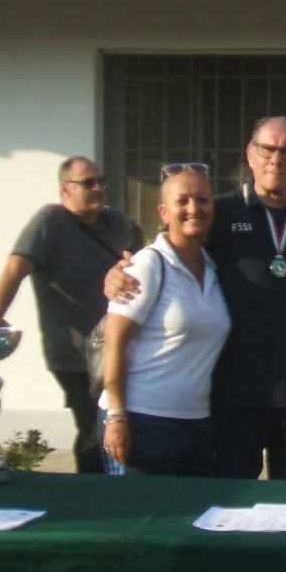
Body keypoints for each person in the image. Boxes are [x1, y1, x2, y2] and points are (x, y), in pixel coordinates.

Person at [107, 117, 286, 481]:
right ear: (251, 154)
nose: (276, 159)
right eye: (267, 149)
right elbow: (171, 244)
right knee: (231, 507)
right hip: (233, 394)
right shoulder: (218, 211)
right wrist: (119, 270)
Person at [0, 156, 143, 474]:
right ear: (65, 189)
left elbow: (137, 257)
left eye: (101, 182)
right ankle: (94, 499)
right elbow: (15, 269)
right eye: (88, 183)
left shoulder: (117, 224)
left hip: (121, 350)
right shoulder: (50, 221)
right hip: (76, 356)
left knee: (125, 428)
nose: (97, 188)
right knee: (94, 432)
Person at [99, 163, 230, 477]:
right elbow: (114, 343)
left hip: (196, 422)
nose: (193, 208)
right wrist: (117, 417)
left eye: (202, 200)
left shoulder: (215, 268)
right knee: (139, 521)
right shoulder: (148, 264)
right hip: (142, 420)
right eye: (182, 201)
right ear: (163, 211)